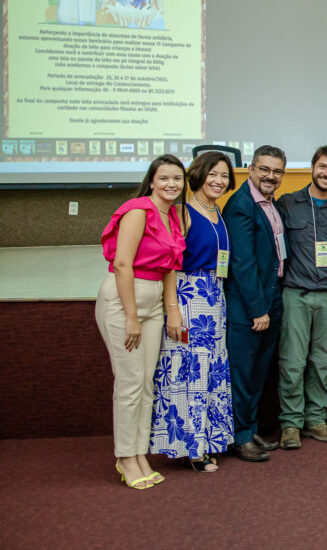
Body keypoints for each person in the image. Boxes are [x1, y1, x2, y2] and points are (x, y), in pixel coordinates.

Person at [96, 155, 186, 489]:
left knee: (147, 384)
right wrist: (131, 316)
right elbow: (122, 264)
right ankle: (124, 457)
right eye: (164, 178)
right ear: (151, 181)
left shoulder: (172, 215)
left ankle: (138, 452)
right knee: (130, 383)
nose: (171, 184)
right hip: (125, 302)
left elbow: (170, 266)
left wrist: (172, 308)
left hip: (153, 304)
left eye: (177, 179)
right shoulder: (138, 210)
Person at [150, 152, 236, 473]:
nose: (219, 181)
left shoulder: (217, 212)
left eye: (224, 176)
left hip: (215, 298)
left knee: (211, 370)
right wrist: (173, 309)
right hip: (189, 298)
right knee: (190, 372)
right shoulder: (182, 212)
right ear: (198, 174)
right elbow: (169, 265)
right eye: (213, 174)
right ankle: (193, 448)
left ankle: (209, 440)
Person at [275, 146, 327, 448]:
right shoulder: (287, 203)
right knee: (292, 362)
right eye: (323, 167)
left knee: (321, 361)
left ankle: (316, 419)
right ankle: (290, 423)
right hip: (296, 293)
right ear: (312, 167)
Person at [223, 145, 287, 462]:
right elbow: (243, 263)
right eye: (264, 169)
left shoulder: (270, 203)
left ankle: (250, 428)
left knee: (258, 371)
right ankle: (240, 436)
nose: (270, 176)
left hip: (270, 297)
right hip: (249, 305)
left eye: (277, 171)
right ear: (250, 169)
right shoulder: (241, 205)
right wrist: (258, 308)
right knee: (243, 373)